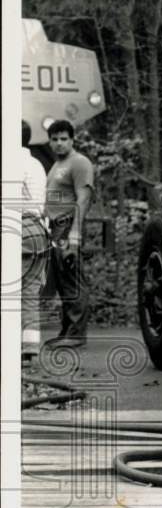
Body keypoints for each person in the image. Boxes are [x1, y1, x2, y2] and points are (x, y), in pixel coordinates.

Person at [43, 119, 94, 348]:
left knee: (73, 279)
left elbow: (83, 200)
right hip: (55, 227)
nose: (59, 144)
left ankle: (76, 334)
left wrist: (74, 237)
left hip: (68, 225)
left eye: (64, 139)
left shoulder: (79, 163)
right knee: (64, 281)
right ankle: (67, 331)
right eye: (54, 139)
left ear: (72, 140)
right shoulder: (57, 165)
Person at [20, 121, 49, 364]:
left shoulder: (11, 162)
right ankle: (29, 347)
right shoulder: (36, 164)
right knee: (29, 292)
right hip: (38, 230)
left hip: (17, 228)